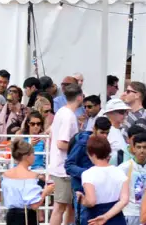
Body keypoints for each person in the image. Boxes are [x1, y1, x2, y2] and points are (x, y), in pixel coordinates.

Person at [50, 84, 85, 225]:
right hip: (63, 168)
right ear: (79, 97)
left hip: (62, 166)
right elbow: (61, 143)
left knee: (68, 206)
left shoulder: (61, 112)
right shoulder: (69, 116)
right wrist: (80, 149)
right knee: (60, 206)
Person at [81, 135, 129, 225]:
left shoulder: (88, 174)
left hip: (94, 218)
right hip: (116, 217)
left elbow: (91, 201)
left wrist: (83, 200)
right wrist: (106, 216)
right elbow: (124, 200)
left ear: (91, 154)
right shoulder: (120, 172)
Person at [3, 138, 52, 225]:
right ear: (27, 156)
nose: (34, 156)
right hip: (26, 216)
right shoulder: (31, 176)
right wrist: (45, 192)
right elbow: (34, 205)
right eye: (33, 154)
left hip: (11, 215)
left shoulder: (6, 174)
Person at [120, 132, 146, 225]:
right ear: (133, 149)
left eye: (144, 147)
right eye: (139, 147)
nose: (142, 150)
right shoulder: (124, 168)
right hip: (131, 213)